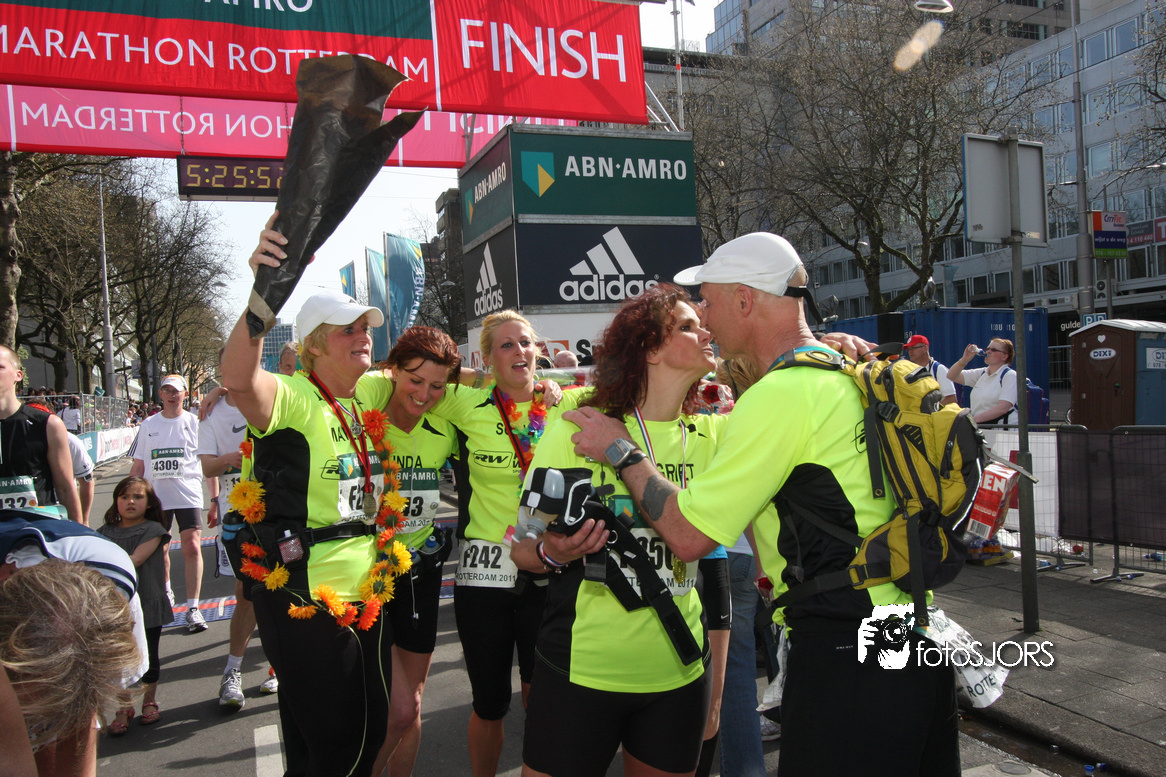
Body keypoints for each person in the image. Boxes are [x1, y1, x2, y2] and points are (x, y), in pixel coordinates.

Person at [564, 232, 961, 777]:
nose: (705, 318)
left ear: (745, 300)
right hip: (912, 633)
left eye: (708, 301)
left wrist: (621, 449)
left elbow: (688, 535)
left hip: (848, 649)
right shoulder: (839, 369)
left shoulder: (781, 394)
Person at [509, 284, 724, 777]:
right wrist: (553, 552)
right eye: (687, 326)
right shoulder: (578, 429)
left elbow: (714, 562)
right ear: (649, 348)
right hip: (581, 669)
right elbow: (520, 548)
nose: (706, 333)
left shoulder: (716, 435)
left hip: (678, 671)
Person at [221, 217, 404, 777]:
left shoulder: (366, 393)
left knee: (356, 736)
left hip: (369, 592)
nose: (364, 335)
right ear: (315, 344)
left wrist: (531, 383)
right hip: (305, 595)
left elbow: (432, 372)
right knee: (342, 749)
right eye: (349, 329)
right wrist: (261, 299)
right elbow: (239, 380)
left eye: (366, 327)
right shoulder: (295, 395)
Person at [427, 309, 579, 777]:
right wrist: (481, 377)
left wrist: (552, 383)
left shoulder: (563, 403)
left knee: (542, 697)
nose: (520, 351)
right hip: (483, 575)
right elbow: (408, 377)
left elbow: (626, 388)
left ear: (540, 351)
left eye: (527, 343)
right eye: (507, 345)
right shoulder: (466, 404)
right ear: (487, 357)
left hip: (547, 570)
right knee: (489, 703)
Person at [369, 326, 461, 777]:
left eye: (437, 386)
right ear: (392, 372)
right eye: (415, 380)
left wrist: (547, 389)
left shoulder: (445, 426)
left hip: (420, 571)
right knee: (390, 708)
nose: (424, 395)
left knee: (412, 705)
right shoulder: (361, 418)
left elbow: (503, 395)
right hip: (365, 577)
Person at [197, 383, 278, 710]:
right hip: (237, 518)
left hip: (277, 510)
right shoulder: (211, 413)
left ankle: (276, 667)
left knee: (282, 589)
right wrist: (231, 459)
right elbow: (207, 467)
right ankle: (232, 673)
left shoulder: (271, 397)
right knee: (246, 593)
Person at [129, 374, 212, 632]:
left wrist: (215, 499)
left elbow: (208, 463)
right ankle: (166, 591)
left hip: (188, 495)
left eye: (177, 391)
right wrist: (130, 497)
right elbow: (139, 465)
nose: (172, 395)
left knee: (192, 547)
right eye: (167, 390)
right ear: (161, 394)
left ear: (185, 394)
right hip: (157, 498)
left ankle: (194, 608)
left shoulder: (196, 423)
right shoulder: (148, 424)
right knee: (160, 549)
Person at [98, 476, 171, 733]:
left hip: (147, 601)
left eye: (138, 497)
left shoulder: (154, 530)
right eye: (125, 497)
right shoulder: (103, 532)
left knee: (149, 654)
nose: (130, 502)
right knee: (119, 657)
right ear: (116, 501)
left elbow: (135, 560)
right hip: (115, 606)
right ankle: (123, 706)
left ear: (149, 503)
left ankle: (149, 701)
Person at [0, 346, 83, 522]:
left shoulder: (48, 425)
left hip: (35, 530)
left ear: (18, 375)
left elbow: (66, 488)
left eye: (0, 367)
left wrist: (78, 531)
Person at [947, 338, 1018, 426]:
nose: (988, 352)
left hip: (1003, 430)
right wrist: (965, 359)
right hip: (981, 427)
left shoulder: (1010, 375)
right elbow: (951, 375)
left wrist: (971, 420)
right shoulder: (982, 373)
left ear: (1004, 356)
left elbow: (1003, 408)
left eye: (993, 350)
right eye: (988, 349)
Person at [904, 334, 957, 406]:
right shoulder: (911, 372)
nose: (910, 352)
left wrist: (932, 410)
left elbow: (951, 399)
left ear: (925, 348)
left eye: (913, 348)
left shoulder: (939, 369)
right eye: (908, 349)